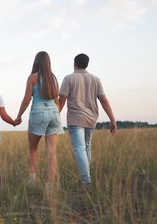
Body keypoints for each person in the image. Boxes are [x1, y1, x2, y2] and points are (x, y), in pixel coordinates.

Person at [58, 53, 117, 192]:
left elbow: (61, 100)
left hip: (75, 118)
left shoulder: (68, 78)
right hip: (91, 119)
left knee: (79, 148)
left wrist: (56, 116)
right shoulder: (96, 80)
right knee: (86, 147)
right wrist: (113, 120)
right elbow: (104, 100)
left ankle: (86, 182)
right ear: (87, 64)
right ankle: (86, 179)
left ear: (74, 63)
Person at [15, 51, 64, 192]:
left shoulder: (33, 78)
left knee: (33, 148)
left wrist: (18, 116)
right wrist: (55, 115)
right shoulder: (54, 79)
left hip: (38, 112)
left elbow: (26, 100)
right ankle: (50, 186)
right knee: (51, 152)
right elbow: (57, 101)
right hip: (54, 113)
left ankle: (32, 182)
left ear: (36, 62)